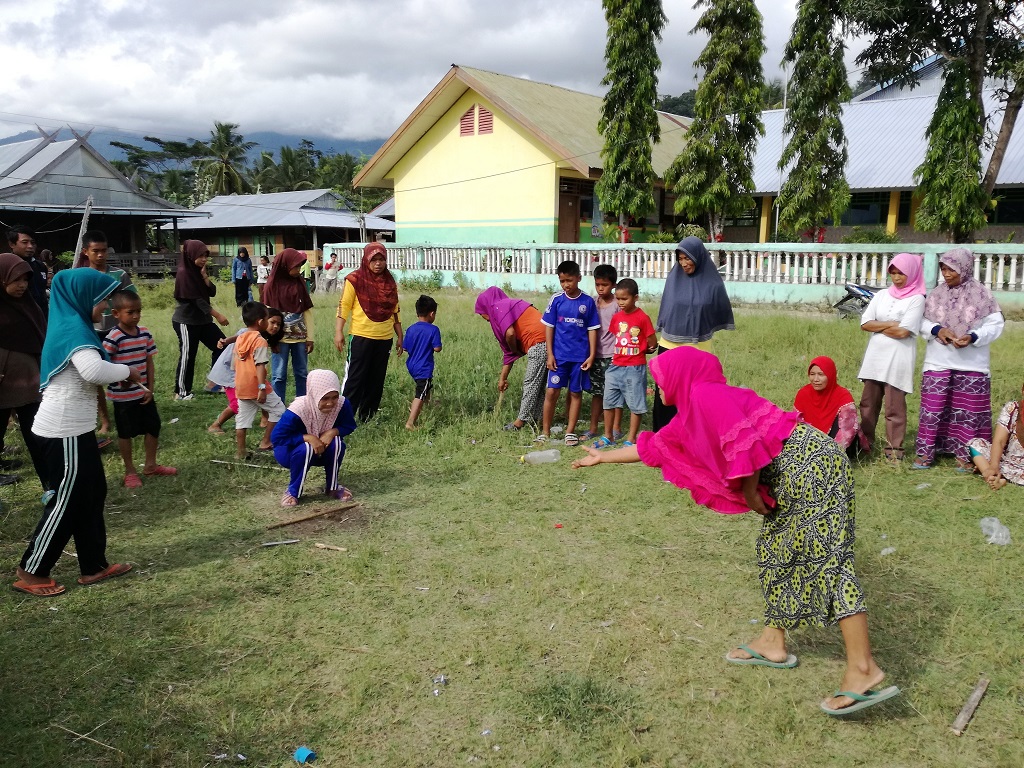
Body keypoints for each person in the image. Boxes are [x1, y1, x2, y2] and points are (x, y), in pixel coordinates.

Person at [572, 347, 899, 717]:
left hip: (812, 467)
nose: (657, 387)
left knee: (827, 561)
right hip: (795, 472)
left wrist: (750, 491)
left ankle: (862, 668)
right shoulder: (692, 411)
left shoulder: (706, 395)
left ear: (681, 375)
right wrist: (603, 457)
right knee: (775, 550)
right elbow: (656, 446)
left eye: (661, 378)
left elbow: (745, 441)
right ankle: (772, 641)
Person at [13, 269, 137, 597]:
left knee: (92, 494)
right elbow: (93, 370)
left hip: (77, 428)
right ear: (83, 298)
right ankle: (31, 570)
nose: (106, 307)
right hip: (63, 430)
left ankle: (93, 565)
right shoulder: (73, 329)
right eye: (102, 300)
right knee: (66, 501)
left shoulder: (74, 324)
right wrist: (128, 370)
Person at [913, 248, 1004, 470]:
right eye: (943, 269)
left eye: (951, 269)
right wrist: (937, 330)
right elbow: (920, 321)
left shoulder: (982, 295)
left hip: (972, 364)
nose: (946, 274)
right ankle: (927, 452)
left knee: (968, 412)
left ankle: (967, 456)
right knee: (933, 408)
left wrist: (973, 336)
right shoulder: (936, 294)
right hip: (938, 361)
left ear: (964, 268)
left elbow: (995, 325)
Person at [652, 236, 734, 431]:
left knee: (693, 394)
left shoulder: (712, 283)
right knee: (665, 391)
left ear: (698, 256)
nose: (683, 263)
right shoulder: (674, 279)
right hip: (669, 345)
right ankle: (662, 434)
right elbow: (667, 307)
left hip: (697, 347)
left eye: (687, 258)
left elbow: (718, 307)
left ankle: (691, 435)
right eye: (680, 259)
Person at [855, 253, 927, 463]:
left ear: (912, 274)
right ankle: (865, 444)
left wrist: (880, 326)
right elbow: (865, 323)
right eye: (893, 273)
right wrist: (892, 324)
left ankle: (894, 450)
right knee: (868, 404)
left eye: (901, 273)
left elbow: (904, 332)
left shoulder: (917, 299)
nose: (896, 278)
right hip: (875, 358)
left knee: (894, 407)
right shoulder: (882, 295)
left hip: (898, 359)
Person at [102, 290, 177, 488]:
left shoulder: (144, 333)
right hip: (122, 397)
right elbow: (104, 364)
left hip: (143, 394)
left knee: (153, 427)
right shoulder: (113, 337)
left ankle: (151, 465)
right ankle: (130, 471)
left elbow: (149, 362)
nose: (136, 316)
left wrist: (150, 388)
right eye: (130, 312)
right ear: (116, 313)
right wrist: (122, 377)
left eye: (139, 311)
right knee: (125, 432)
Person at [76, 229, 136, 442]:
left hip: (117, 332)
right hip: (91, 333)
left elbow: (131, 300)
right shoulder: (80, 276)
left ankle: (129, 413)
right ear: (86, 251)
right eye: (96, 251)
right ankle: (105, 420)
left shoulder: (119, 275)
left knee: (124, 373)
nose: (101, 255)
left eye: (104, 250)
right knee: (95, 378)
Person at [334, 242, 403, 422]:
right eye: (374, 259)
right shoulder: (354, 279)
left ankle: (367, 418)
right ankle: (344, 420)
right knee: (355, 379)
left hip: (385, 338)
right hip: (361, 336)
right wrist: (339, 331)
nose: (378, 263)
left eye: (381, 259)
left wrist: (400, 335)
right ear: (366, 259)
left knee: (376, 381)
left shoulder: (389, 282)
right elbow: (344, 306)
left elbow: (395, 310)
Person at [272, 369, 357, 507]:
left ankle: (332, 487)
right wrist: (307, 438)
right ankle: (293, 491)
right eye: (325, 398)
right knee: (306, 448)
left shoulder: (342, 404)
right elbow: (277, 438)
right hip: (290, 452)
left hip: (321, 450)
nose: (330, 403)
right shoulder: (298, 409)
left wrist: (333, 432)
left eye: (334, 397)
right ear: (314, 395)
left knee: (337, 442)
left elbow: (349, 425)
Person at [0, 252, 49, 489]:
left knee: (37, 436)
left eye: (25, 279)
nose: (22, 285)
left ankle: (51, 486)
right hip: (2, 386)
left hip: (28, 384)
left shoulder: (30, 307)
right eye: (15, 279)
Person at [539, 260, 600, 447]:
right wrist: (550, 354)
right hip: (559, 357)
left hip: (579, 359)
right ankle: (545, 431)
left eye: (569, 280)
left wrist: (591, 355)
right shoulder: (556, 300)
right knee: (552, 392)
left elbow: (592, 330)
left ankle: (570, 431)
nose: (566, 284)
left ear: (579, 278)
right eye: (562, 281)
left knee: (575, 393)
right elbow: (549, 328)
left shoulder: (587, 302)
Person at [474, 286, 547, 432]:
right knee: (538, 386)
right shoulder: (510, 305)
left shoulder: (498, 308)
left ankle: (519, 422)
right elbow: (509, 354)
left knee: (530, 383)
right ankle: (537, 419)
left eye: (482, 313)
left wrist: (514, 350)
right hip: (550, 341)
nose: (484, 318)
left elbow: (510, 334)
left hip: (538, 343)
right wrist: (503, 379)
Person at [594, 278, 656, 448]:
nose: (621, 302)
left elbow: (652, 340)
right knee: (609, 401)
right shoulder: (617, 318)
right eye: (618, 299)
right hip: (615, 366)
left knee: (635, 403)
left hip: (634, 367)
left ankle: (631, 439)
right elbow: (618, 337)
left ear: (635, 297)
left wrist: (647, 348)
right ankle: (608, 436)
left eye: (624, 299)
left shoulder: (642, 318)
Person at [208, 309, 284, 434]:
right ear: (261, 321)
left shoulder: (261, 336)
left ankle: (265, 420)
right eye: (272, 322)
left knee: (266, 389)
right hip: (230, 373)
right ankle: (215, 425)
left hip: (245, 373)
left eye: (279, 324)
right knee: (237, 403)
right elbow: (237, 338)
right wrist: (225, 341)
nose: (275, 326)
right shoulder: (248, 332)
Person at [172, 240, 228, 400]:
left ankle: (214, 383)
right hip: (186, 321)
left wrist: (204, 277)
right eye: (200, 256)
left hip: (203, 320)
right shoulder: (184, 273)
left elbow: (212, 292)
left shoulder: (197, 272)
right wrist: (218, 315)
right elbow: (197, 300)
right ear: (190, 255)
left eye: (205, 256)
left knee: (222, 345)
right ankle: (181, 392)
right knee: (188, 355)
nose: (204, 259)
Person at [233, 301, 286, 458]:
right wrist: (262, 387)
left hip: (241, 385)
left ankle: (240, 452)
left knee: (242, 419)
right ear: (261, 322)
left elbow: (235, 364)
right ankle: (266, 442)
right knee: (279, 410)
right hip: (256, 385)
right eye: (268, 318)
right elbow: (260, 365)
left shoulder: (240, 338)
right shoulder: (260, 341)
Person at [262, 248, 314, 400]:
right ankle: (278, 408)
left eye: (300, 267)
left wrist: (310, 338)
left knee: (302, 373)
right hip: (280, 340)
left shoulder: (300, 284)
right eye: (296, 266)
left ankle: (302, 406)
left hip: (300, 339)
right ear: (285, 265)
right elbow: (267, 316)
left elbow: (307, 312)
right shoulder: (271, 286)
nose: (298, 270)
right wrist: (271, 340)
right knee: (279, 375)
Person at [794, 356, 859, 452]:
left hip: (840, 448)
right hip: (810, 445)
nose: (816, 379)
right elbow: (796, 425)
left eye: (821, 374)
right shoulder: (803, 394)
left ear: (830, 375)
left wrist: (830, 452)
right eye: (812, 374)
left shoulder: (843, 396)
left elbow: (847, 432)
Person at [968, 380, 1024, 490]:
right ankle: (993, 475)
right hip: (1007, 462)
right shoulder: (1013, 408)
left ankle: (992, 475)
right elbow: (999, 441)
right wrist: (994, 465)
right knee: (975, 444)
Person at [586, 263, 619, 440]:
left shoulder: (618, 304)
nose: (600, 288)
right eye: (597, 284)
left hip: (613, 355)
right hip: (595, 355)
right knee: (597, 394)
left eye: (604, 285)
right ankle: (593, 427)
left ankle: (615, 427)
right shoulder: (592, 303)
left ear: (613, 284)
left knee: (614, 393)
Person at [403, 294, 442, 429]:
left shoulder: (411, 329)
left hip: (411, 365)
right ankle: (410, 422)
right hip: (424, 367)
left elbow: (405, 348)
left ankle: (427, 405)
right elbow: (437, 348)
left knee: (426, 386)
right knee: (421, 392)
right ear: (432, 314)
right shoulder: (433, 329)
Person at [7, 225, 48, 310]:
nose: (30, 246)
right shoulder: (6, 266)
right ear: (12, 244)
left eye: (33, 243)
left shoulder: (40, 266)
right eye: (25, 242)